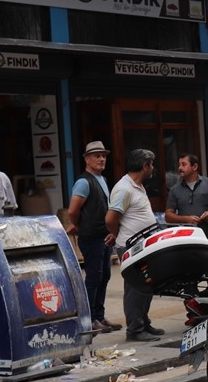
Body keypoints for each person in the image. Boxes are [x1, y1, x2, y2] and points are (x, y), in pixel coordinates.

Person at [106, 148, 162, 342]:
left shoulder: (136, 185)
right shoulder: (124, 188)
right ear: (145, 166)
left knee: (146, 286)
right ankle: (135, 330)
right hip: (131, 247)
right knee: (135, 288)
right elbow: (111, 218)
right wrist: (115, 234)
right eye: (151, 164)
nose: (153, 168)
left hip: (143, 246)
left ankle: (143, 323)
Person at [66, 141, 121, 334]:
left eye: (103, 156)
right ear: (86, 159)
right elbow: (73, 210)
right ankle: (89, 319)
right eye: (96, 155)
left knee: (104, 276)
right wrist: (81, 225)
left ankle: (99, 315)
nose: (101, 159)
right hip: (92, 238)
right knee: (94, 277)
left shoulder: (102, 180)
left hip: (104, 237)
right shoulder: (84, 181)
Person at [164, 153, 208, 278]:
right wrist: (186, 219)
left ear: (194, 167)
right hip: (187, 241)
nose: (180, 168)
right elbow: (168, 215)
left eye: (184, 164)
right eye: (179, 165)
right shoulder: (175, 190)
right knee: (189, 277)